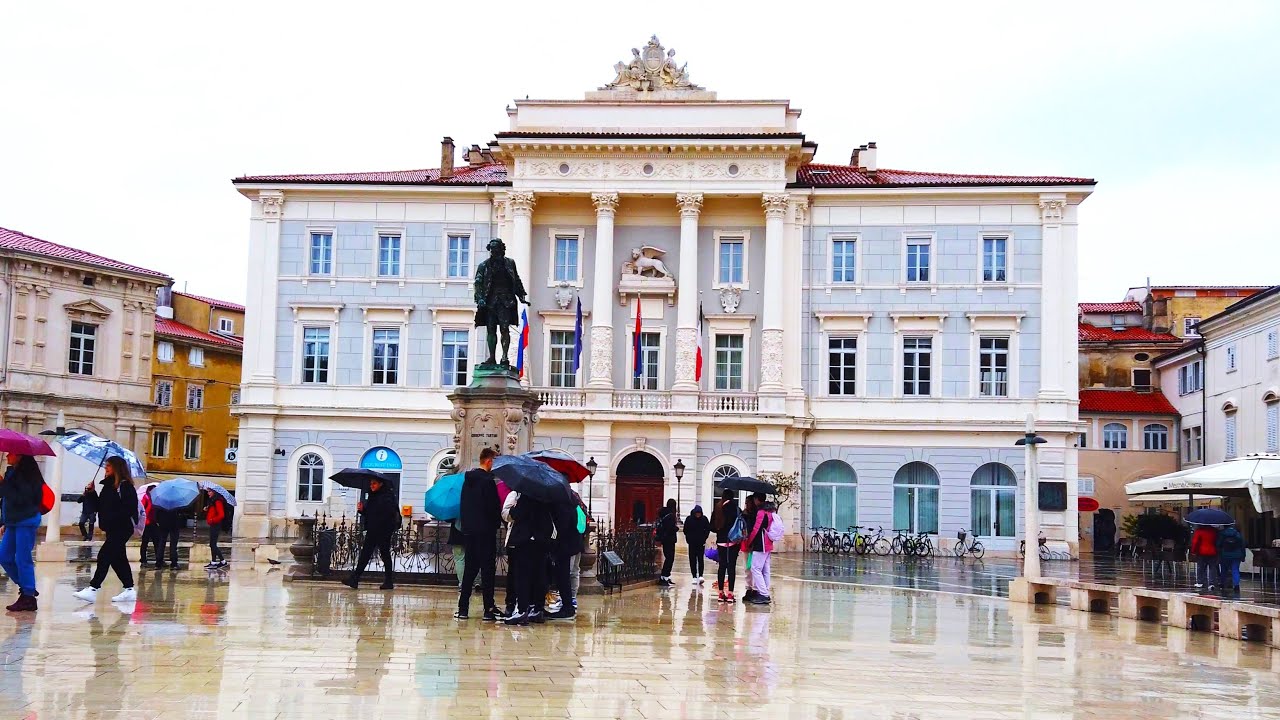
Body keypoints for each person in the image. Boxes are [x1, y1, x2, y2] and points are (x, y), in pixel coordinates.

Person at [74, 456, 138, 603]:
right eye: (106, 465)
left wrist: (113, 516)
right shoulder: (108, 486)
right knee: (117, 559)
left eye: (109, 466)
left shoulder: (125, 486)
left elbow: (129, 509)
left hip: (122, 528)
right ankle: (129, 589)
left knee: (104, 555)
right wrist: (91, 493)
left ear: (117, 468)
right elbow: (99, 506)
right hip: (111, 528)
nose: (106, 468)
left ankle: (93, 588)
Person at [456, 448, 502, 620]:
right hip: (486, 532)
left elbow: (464, 506)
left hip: (470, 532)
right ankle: (488, 609)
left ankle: (463, 609)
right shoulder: (488, 482)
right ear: (489, 461)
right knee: (487, 571)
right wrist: (496, 523)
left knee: (470, 570)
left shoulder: (468, 481)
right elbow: (493, 507)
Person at [0, 454, 45, 612]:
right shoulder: (11, 472)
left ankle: (28, 596)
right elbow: (6, 499)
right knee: (4, 556)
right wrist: (4, 522)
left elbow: (21, 499)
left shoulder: (28, 476)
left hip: (25, 521)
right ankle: (27, 588)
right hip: (12, 522)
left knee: (22, 559)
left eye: (11, 453)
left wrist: (3, 484)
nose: (7, 455)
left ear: (19, 456)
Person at [504, 490, 553, 626]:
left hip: (525, 541)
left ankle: (522, 610)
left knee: (522, 577)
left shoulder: (526, 495)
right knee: (539, 575)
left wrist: (515, 506)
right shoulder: (545, 495)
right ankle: (537, 609)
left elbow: (516, 514)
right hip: (541, 541)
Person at [342, 476, 400, 590]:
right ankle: (355, 579)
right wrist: (362, 510)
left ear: (380, 484)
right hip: (373, 529)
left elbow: (387, 514)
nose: (371, 486)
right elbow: (371, 513)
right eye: (371, 484)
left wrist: (373, 516)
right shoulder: (373, 495)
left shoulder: (387, 496)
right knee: (366, 554)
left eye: (374, 483)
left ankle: (388, 581)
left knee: (384, 554)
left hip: (383, 530)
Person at [547, 495, 585, 621]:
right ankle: (569, 603)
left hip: (566, 546)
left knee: (565, 575)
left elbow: (561, 527)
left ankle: (567, 606)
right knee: (572, 573)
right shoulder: (573, 499)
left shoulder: (561, 503)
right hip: (575, 543)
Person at [742, 493, 775, 605]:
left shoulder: (761, 512)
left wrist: (750, 541)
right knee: (765, 569)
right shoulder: (770, 511)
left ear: (756, 499)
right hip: (768, 543)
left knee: (755, 568)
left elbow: (756, 529)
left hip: (760, 544)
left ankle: (763, 594)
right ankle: (764, 591)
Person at [710, 489, 741, 603]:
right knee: (731, 566)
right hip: (733, 541)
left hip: (721, 541)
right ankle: (730, 594)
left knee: (722, 566)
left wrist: (720, 530)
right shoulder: (736, 509)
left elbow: (711, 527)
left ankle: (720, 593)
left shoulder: (717, 508)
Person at [683, 505, 711, 585]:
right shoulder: (689, 519)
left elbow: (707, 529)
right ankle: (694, 576)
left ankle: (701, 575)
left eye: (699, 513)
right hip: (692, 543)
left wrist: (704, 537)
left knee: (700, 559)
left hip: (701, 543)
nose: (698, 515)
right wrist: (689, 538)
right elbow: (685, 530)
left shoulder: (704, 519)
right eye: (697, 513)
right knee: (692, 560)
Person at [203, 489, 229, 570]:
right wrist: (206, 510)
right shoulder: (212, 501)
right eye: (208, 491)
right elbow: (213, 512)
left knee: (213, 544)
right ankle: (214, 562)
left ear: (214, 492)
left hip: (216, 524)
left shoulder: (218, 501)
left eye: (209, 491)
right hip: (213, 524)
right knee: (212, 544)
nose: (208, 493)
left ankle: (222, 561)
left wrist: (212, 520)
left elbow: (221, 515)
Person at [1217, 524, 1246, 593]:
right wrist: (1243, 556)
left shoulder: (1222, 534)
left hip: (1225, 555)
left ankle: (1222, 583)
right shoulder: (1238, 534)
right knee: (1235, 570)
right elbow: (1242, 546)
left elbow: (1218, 544)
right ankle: (1236, 585)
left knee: (1224, 570)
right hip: (1236, 555)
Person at [656, 498, 679, 586]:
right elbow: (670, 528)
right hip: (669, 539)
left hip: (665, 539)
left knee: (668, 558)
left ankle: (666, 576)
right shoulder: (671, 516)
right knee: (670, 559)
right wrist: (676, 528)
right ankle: (664, 576)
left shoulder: (665, 514)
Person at [1190, 524, 1219, 590]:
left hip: (1201, 552)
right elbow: (1217, 541)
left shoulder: (1199, 531)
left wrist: (1193, 551)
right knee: (1212, 568)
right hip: (1212, 551)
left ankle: (1200, 582)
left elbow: (1195, 542)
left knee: (1201, 567)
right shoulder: (1214, 531)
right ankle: (1212, 583)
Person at [153, 504, 182, 569]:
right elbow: (180, 511)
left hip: (163, 521)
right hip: (174, 522)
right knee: (173, 543)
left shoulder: (161, 501)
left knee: (161, 542)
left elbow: (156, 511)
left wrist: (157, 520)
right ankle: (174, 563)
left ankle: (158, 562)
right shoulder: (176, 501)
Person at [139, 486, 158, 566]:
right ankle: (143, 559)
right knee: (145, 542)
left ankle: (158, 559)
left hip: (153, 522)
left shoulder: (155, 499)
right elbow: (142, 510)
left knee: (156, 541)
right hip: (146, 523)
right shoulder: (145, 498)